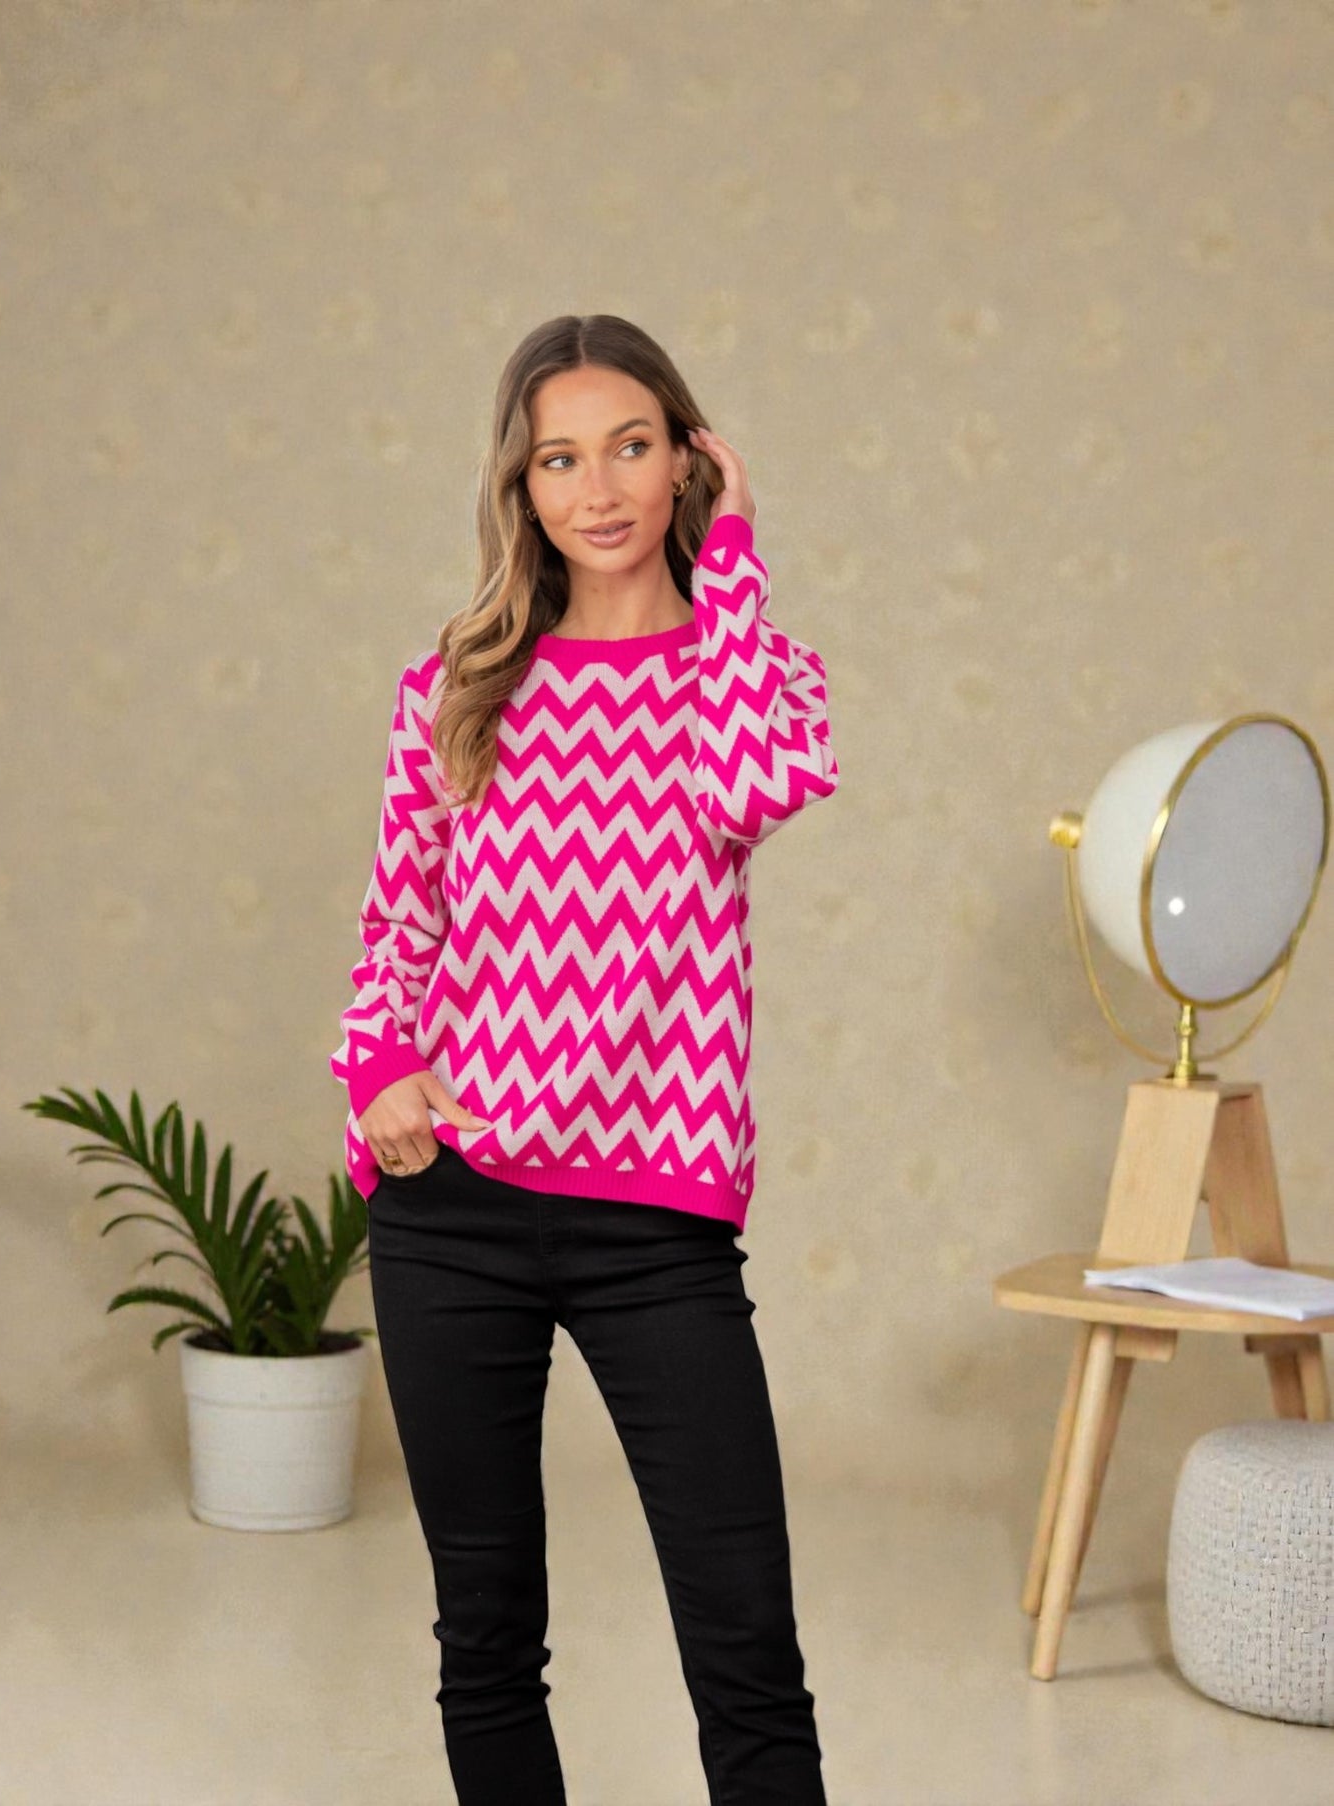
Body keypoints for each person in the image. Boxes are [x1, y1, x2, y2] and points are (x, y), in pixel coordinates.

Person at [329, 314, 840, 1806]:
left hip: (654, 1226)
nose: (597, 488)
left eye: (631, 445)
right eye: (559, 457)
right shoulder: (457, 682)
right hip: (453, 1212)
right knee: (484, 1634)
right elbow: (395, 921)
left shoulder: (745, 671)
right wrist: (379, 1081)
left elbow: (760, 784)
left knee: (744, 1639)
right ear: (521, 484)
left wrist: (732, 555)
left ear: (687, 459)